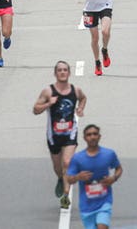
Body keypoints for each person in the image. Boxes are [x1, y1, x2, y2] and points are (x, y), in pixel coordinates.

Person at [34, 62, 88, 208]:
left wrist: (80, 109)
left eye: (65, 70)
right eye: (60, 70)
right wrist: (48, 104)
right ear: (55, 73)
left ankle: (65, 195)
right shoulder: (48, 92)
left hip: (70, 134)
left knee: (67, 163)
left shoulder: (75, 90)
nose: (62, 72)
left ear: (69, 73)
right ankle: (60, 178)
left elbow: (83, 98)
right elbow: (35, 109)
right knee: (58, 167)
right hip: (54, 135)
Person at [65, 124, 123, 229]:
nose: (92, 137)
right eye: (89, 135)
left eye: (95, 134)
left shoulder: (109, 154)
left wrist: (114, 178)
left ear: (99, 136)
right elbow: (69, 179)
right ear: (84, 138)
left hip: (104, 202)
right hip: (86, 206)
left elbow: (119, 168)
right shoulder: (77, 158)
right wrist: (78, 177)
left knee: (102, 227)